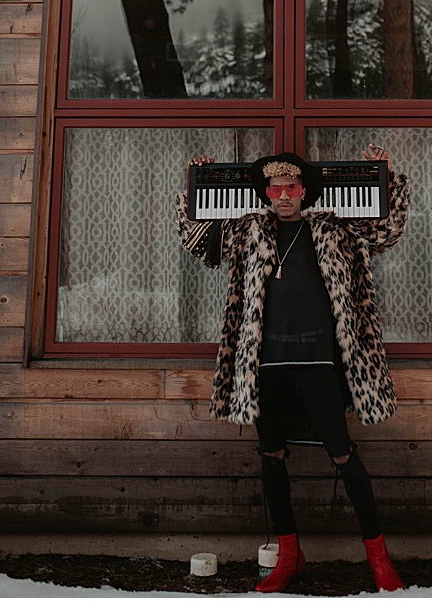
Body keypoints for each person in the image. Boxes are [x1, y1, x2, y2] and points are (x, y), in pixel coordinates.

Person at [177, 149, 411, 592]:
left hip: (320, 360)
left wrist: (388, 177)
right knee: (271, 456)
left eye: (291, 187)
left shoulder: (334, 229)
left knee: (343, 454)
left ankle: (379, 560)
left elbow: (386, 230)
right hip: (264, 364)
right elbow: (196, 241)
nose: (283, 195)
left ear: (304, 191)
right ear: (266, 193)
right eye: (275, 188)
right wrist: (193, 184)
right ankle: (289, 557)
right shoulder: (247, 231)